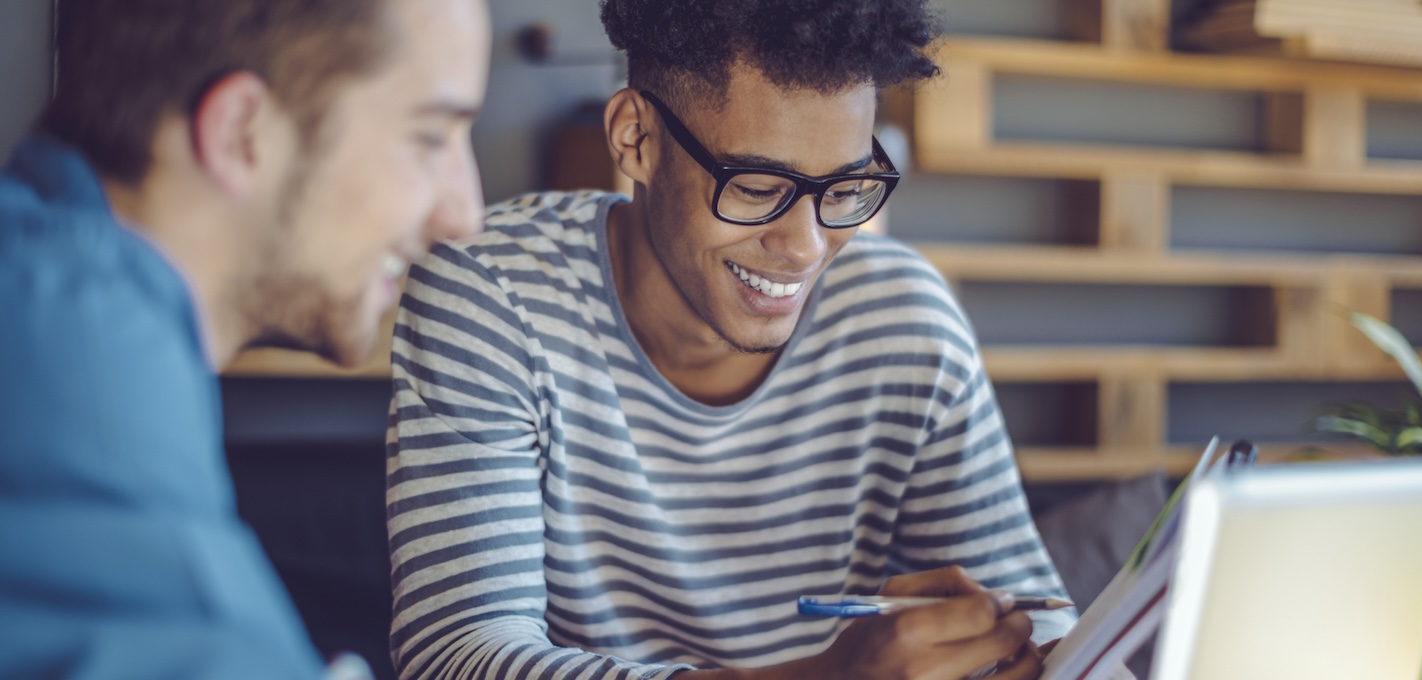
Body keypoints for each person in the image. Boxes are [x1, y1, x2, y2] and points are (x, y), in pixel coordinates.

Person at [385, 0, 1075, 678]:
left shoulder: (902, 318)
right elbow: (457, 656)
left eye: (844, 188)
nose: (805, 247)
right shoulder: (492, 291)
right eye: (757, 186)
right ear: (636, 139)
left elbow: (1034, 618)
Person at [0, 0, 489, 677]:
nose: (465, 214)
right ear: (240, 134)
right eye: (429, 138)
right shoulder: (72, 360)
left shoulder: (47, 271)